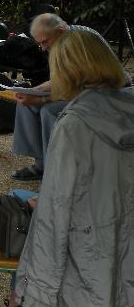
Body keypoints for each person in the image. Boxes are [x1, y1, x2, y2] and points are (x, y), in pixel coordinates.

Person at [0, 30, 134, 307]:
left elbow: (58, 203)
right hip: (125, 227)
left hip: (88, 230)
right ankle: (101, 306)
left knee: (22, 205)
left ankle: (22, 300)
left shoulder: (75, 123)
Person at [8, 13, 125, 181]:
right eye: (39, 43)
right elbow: (61, 80)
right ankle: (42, 164)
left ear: (61, 31)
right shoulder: (62, 39)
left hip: (106, 93)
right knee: (26, 103)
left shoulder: (79, 43)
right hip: (85, 91)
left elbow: (78, 89)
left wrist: (41, 99)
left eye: (44, 42)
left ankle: (57, 169)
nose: (42, 48)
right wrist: (34, 90)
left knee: (49, 111)